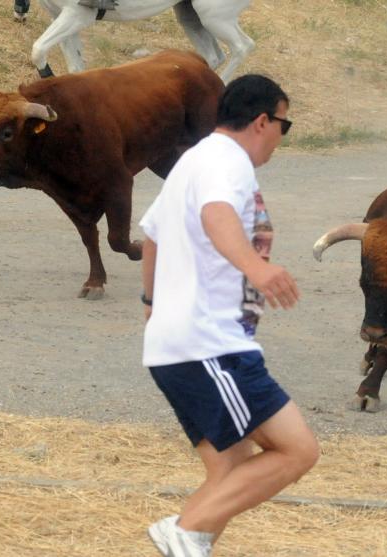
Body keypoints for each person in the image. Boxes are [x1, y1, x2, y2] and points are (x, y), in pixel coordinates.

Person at [139, 74, 319, 557]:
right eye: (284, 125)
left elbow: (153, 235)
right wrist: (256, 268)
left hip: (179, 345)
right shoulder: (227, 161)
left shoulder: (193, 161)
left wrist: (152, 303)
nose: (281, 137)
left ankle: (188, 541)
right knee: (298, 450)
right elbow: (217, 215)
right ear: (262, 121)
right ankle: (184, 530)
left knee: (232, 472)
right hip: (211, 346)